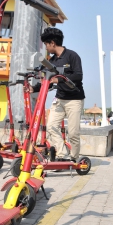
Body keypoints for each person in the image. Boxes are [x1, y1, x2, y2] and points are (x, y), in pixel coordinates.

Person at [30, 27, 85, 162]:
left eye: (46, 45)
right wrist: (34, 88)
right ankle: (62, 153)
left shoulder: (72, 56)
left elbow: (78, 76)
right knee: (51, 127)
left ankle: (74, 158)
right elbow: (47, 80)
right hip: (60, 99)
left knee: (73, 133)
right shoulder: (52, 62)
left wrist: (59, 79)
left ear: (52, 43)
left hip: (74, 99)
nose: (46, 48)